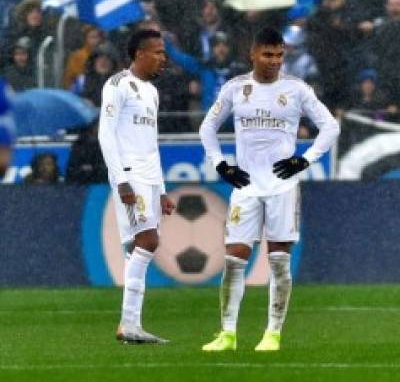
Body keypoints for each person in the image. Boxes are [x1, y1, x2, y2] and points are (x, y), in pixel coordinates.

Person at [200, 27, 340, 353]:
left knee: (278, 261)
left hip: (282, 186)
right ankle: (227, 334)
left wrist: (303, 161)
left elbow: (330, 126)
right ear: (253, 54)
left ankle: (272, 334)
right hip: (246, 187)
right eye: (267, 54)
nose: (274, 61)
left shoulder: (296, 89)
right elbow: (207, 127)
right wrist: (221, 165)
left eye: (279, 55)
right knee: (234, 260)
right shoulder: (236, 88)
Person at [98, 28, 175, 344]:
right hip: (129, 174)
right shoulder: (118, 85)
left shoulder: (152, 92)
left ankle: (131, 324)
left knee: (143, 244)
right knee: (148, 240)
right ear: (140, 53)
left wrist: (162, 189)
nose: (162, 58)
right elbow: (106, 134)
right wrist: (121, 180)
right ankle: (128, 323)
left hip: (148, 176)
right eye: (157, 52)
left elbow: (151, 144)